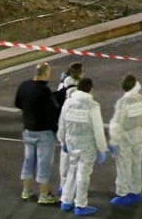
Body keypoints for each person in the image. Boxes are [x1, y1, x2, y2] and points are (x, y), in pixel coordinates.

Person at [58, 77, 112, 216]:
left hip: (71, 142)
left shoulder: (68, 102)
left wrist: (63, 140)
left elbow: (62, 123)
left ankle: (66, 200)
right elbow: (98, 129)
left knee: (72, 170)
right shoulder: (92, 106)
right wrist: (102, 148)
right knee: (83, 174)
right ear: (90, 89)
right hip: (87, 145)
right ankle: (80, 204)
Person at [14, 62, 61, 205]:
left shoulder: (24, 85)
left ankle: (26, 191)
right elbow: (53, 112)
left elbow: (18, 103)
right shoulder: (44, 90)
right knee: (43, 163)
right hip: (44, 133)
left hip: (28, 130)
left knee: (28, 161)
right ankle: (44, 194)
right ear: (46, 74)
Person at [108, 74, 142, 206]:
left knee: (123, 165)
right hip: (139, 136)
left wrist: (113, 141)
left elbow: (117, 123)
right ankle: (136, 191)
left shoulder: (123, 102)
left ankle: (122, 193)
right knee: (136, 163)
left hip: (124, 138)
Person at [57, 61, 84, 193]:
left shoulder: (62, 85)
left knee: (65, 158)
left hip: (64, 123)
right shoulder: (76, 88)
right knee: (75, 160)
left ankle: (63, 184)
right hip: (74, 126)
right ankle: (73, 187)